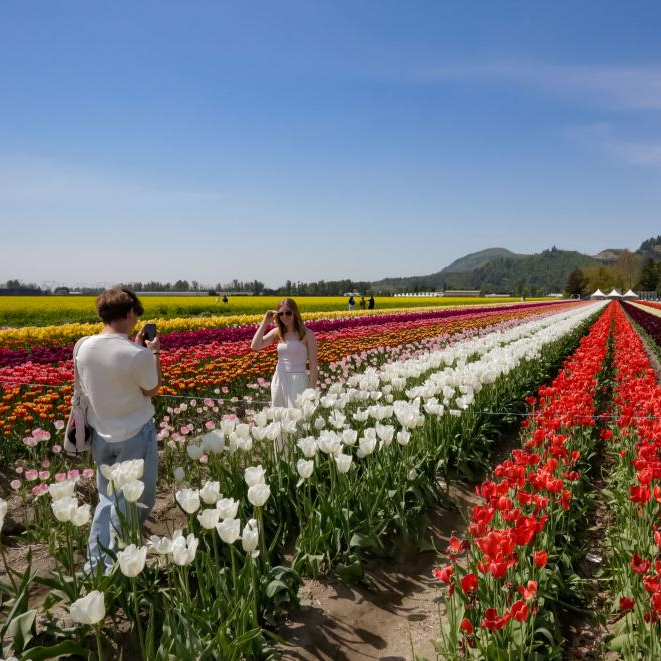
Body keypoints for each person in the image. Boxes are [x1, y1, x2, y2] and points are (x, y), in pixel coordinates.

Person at [77, 287, 162, 573]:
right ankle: (117, 565)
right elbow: (151, 389)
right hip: (135, 433)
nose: (137, 320)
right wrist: (153, 353)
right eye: (136, 314)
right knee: (135, 502)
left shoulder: (84, 348)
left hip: (101, 434)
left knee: (107, 500)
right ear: (128, 313)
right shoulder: (137, 354)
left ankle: (96, 565)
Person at [251, 298, 318, 408]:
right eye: (281, 314)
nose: (284, 316)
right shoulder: (278, 332)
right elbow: (255, 346)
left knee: (297, 415)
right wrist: (265, 322)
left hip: (298, 380)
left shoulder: (307, 334)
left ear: (295, 313)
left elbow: (313, 365)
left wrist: (310, 391)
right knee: (278, 414)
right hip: (279, 378)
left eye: (288, 313)